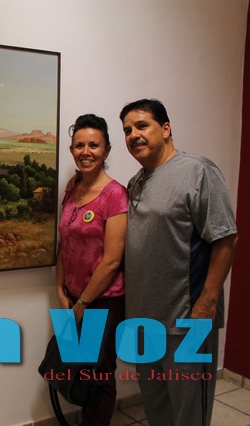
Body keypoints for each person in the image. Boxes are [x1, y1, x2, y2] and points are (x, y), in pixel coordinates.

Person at [119, 98, 237, 426]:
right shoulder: (136, 181)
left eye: (142, 126)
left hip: (187, 320)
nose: (133, 134)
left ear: (166, 129)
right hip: (144, 320)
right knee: (156, 407)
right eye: (127, 130)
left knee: (189, 412)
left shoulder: (198, 171)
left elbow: (225, 238)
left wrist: (207, 303)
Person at [57, 114, 128, 425]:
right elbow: (65, 243)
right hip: (72, 299)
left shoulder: (115, 195)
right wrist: (60, 290)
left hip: (102, 302)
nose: (86, 151)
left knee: (99, 377)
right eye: (79, 145)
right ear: (72, 150)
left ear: (107, 150)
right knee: (80, 372)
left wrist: (82, 304)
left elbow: (112, 260)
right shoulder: (73, 191)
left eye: (94, 145)